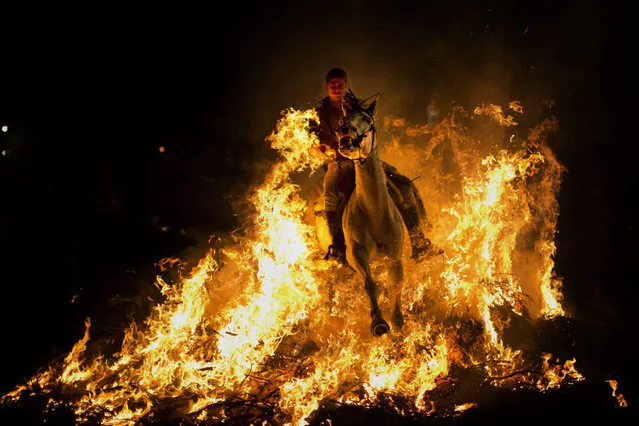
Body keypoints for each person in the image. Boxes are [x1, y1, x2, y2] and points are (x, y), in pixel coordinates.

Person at [310, 68, 441, 262]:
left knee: (403, 185)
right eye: (332, 86)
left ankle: (418, 240)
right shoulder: (320, 112)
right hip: (339, 163)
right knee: (330, 195)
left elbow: (369, 132)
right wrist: (325, 149)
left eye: (340, 85)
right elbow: (314, 140)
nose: (336, 89)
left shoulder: (360, 107)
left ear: (347, 85)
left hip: (365, 159)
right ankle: (337, 245)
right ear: (327, 87)